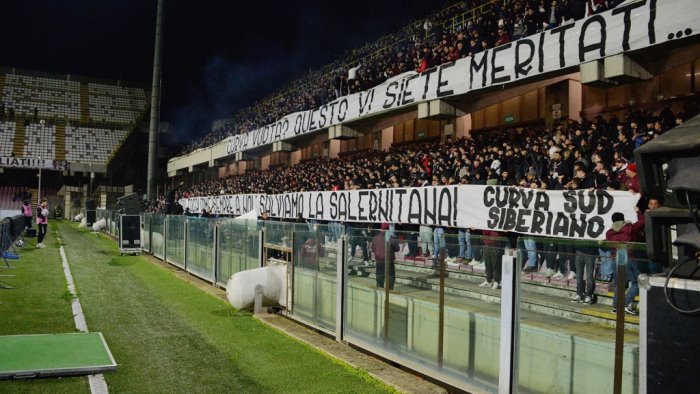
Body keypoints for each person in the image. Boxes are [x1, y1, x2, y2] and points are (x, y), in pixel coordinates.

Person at [371, 223, 399, 290]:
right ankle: (390, 289)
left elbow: (373, 248)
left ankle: (380, 287)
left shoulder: (375, 238)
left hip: (379, 260)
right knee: (391, 275)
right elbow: (397, 249)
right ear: (388, 229)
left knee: (379, 274)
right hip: (389, 260)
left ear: (381, 229)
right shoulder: (391, 238)